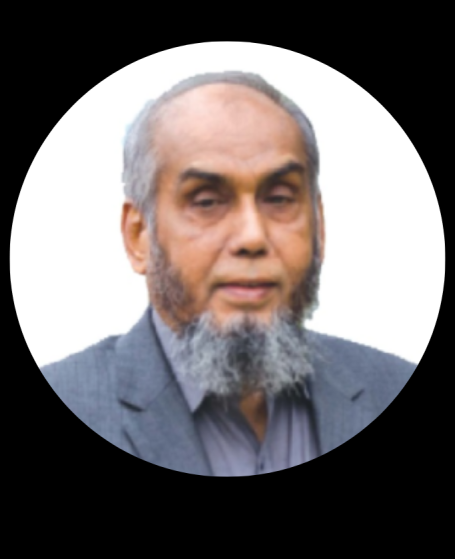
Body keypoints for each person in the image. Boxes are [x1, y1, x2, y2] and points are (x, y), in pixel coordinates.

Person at [41, 71, 415, 476]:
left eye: (279, 198)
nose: (252, 236)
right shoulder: (71, 400)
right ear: (139, 236)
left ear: (319, 226)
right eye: (206, 201)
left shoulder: (393, 389)